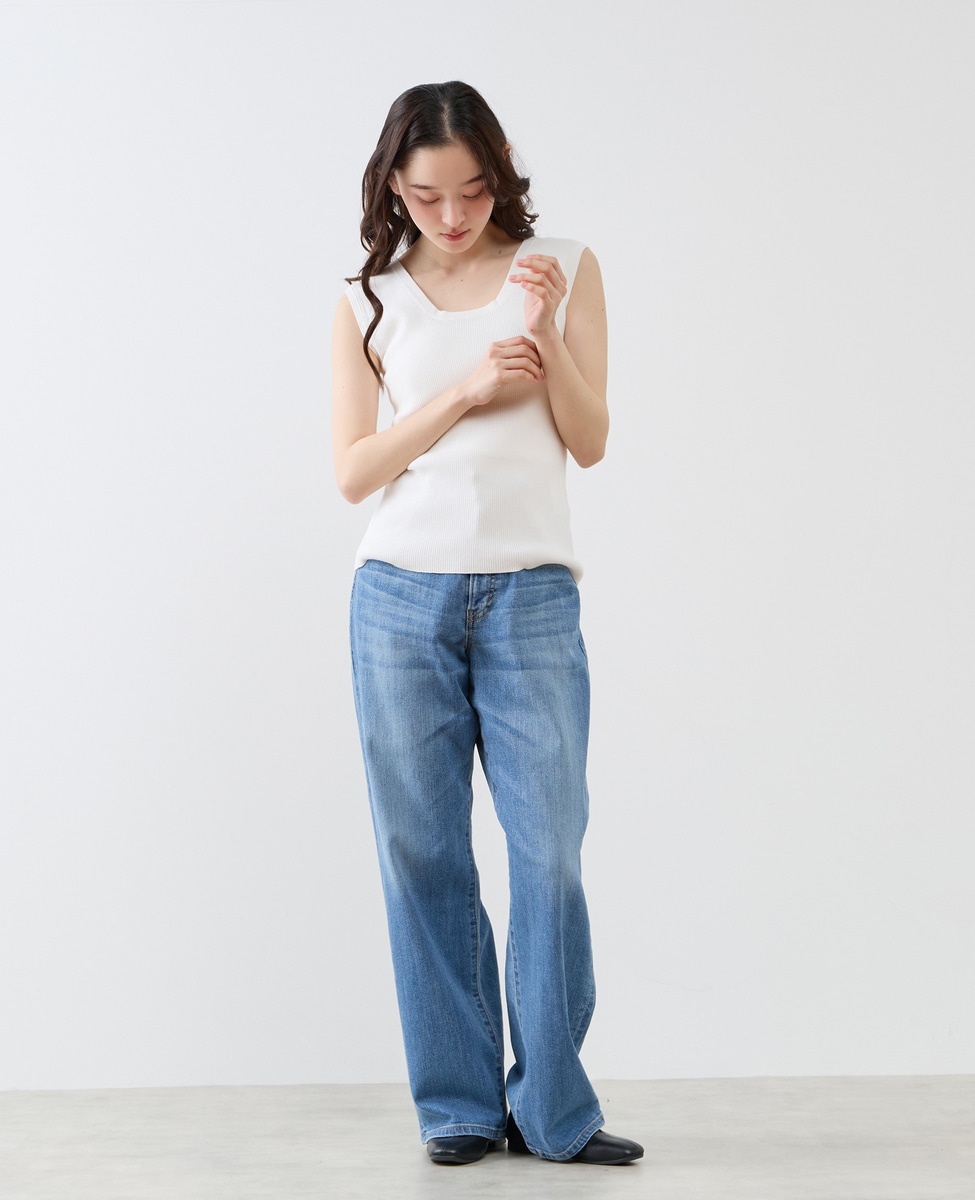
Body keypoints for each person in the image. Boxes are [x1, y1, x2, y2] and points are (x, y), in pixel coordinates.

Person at [331, 81, 643, 1168]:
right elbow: (354, 472)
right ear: (394, 188)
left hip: (530, 595)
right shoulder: (369, 298)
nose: (453, 216)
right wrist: (462, 393)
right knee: (421, 855)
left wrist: (543, 330)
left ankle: (553, 1109)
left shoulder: (562, 265)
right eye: (427, 197)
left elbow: (589, 441)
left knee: (548, 848)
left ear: (499, 174)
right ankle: (459, 1106)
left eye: (471, 191)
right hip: (398, 596)